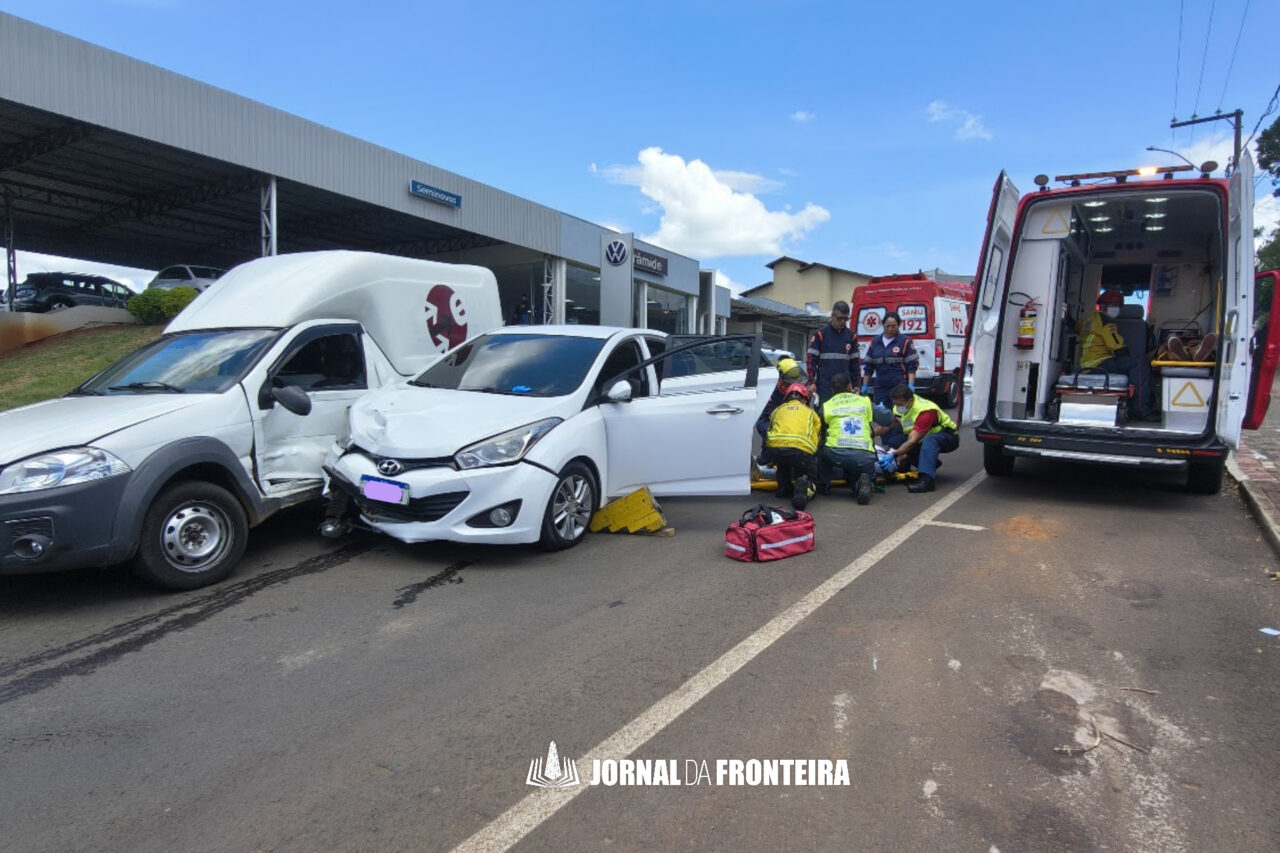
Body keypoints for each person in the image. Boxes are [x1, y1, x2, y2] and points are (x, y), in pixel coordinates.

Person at [1077, 289, 1156, 420]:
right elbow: (1118, 349)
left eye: (1118, 306)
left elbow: (1076, 327)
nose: (1116, 309)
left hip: (1086, 364)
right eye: (1113, 306)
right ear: (1103, 306)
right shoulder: (1107, 323)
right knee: (1139, 363)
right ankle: (1141, 409)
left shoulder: (1088, 320)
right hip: (1099, 364)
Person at [885, 383, 958, 493]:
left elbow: (913, 440)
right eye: (895, 404)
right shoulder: (900, 408)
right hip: (922, 436)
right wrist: (870, 433)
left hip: (947, 436)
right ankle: (914, 467)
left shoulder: (925, 411)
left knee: (929, 441)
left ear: (909, 401)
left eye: (899, 404)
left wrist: (895, 453)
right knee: (895, 441)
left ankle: (927, 480)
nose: (897, 407)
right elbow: (886, 426)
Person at [817, 373, 877, 504]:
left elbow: (818, 429)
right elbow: (887, 418)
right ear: (850, 386)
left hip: (835, 454)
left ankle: (824, 484)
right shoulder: (864, 401)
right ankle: (863, 482)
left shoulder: (827, 405)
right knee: (860, 465)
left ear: (832, 389)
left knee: (821, 449)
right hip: (864, 454)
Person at [765, 382, 822, 510]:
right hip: (800, 451)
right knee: (810, 475)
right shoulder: (811, 413)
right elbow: (817, 435)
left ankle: (784, 487)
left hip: (776, 450)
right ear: (805, 399)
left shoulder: (777, 410)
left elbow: (770, 430)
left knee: (783, 463)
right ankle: (805, 486)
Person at [755, 357, 806, 465]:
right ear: (779, 380)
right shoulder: (767, 395)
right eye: (788, 384)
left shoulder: (800, 393)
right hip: (774, 442)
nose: (792, 388)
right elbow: (760, 422)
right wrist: (775, 431)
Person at [862, 311, 919, 407]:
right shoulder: (875, 342)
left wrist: (911, 384)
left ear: (899, 325)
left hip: (899, 387)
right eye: (887, 326)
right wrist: (865, 385)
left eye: (893, 326)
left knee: (899, 416)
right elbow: (868, 366)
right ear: (883, 325)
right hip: (880, 387)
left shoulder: (905, 341)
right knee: (882, 416)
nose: (890, 329)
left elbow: (911, 366)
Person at [806, 301, 858, 404]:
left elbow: (855, 364)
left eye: (846, 319)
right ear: (833, 316)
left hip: (845, 387)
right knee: (823, 415)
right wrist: (811, 382)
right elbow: (811, 360)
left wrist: (857, 385)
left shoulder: (851, 336)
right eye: (840, 318)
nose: (843, 322)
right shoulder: (820, 334)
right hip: (825, 386)